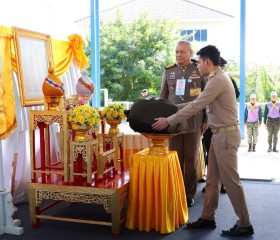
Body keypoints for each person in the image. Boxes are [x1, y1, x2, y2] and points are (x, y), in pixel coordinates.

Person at [152, 45, 254, 237]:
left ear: (207, 62)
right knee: (213, 180)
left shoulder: (217, 81)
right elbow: (193, 103)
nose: (197, 66)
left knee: (231, 182)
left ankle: (245, 223)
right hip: (218, 134)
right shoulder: (216, 78)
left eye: (199, 62)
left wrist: (169, 120)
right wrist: (169, 110)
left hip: (225, 136)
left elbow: (197, 104)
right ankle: (208, 217)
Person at [160, 40, 208, 207]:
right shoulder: (169, 71)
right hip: (173, 122)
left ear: (190, 52)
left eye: (182, 52)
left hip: (194, 122)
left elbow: (207, 97)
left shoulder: (199, 70)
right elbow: (163, 97)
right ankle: (176, 191)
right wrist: (163, 119)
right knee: (175, 158)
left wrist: (206, 120)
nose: (178, 55)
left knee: (191, 159)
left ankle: (188, 194)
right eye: (176, 52)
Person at [201, 56, 239, 194]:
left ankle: (223, 184)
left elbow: (235, 95)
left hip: (223, 126)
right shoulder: (207, 80)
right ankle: (212, 184)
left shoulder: (225, 80)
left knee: (224, 162)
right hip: (210, 126)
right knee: (209, 157)